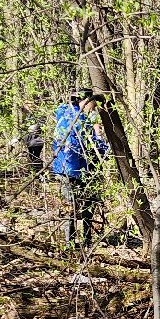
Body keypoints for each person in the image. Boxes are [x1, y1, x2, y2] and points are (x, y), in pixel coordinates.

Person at [50, 90, 109, 245]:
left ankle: (78, 240)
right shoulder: (79, 119)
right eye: (93, 105)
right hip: (75, 169)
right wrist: (105, 147)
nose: (94, 108)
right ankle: (76, 242)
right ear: (85, 101)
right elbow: (84, 144)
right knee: (76, 206)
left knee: (74, 206)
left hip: (68, 168)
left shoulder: (65, 114)